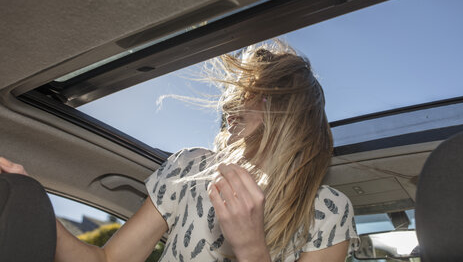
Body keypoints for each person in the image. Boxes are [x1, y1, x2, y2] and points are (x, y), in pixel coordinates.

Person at [0, 41, 359, 261]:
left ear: (290, 112)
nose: (232, 103)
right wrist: (32, 204)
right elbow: (108, 260)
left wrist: (251, 249)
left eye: (254, 93)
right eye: (236, 93)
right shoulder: (190, 168)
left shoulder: (328, 211)